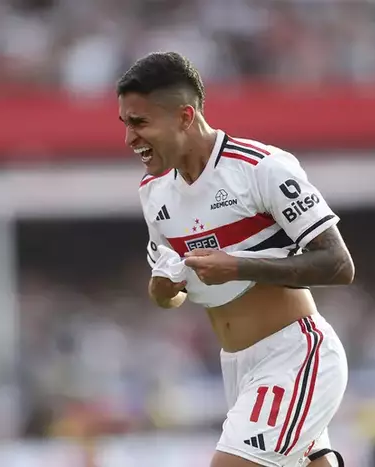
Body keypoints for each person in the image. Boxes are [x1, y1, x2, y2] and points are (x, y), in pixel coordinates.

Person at [117, 51, 353, 467]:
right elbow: (169, 290)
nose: (129, 138)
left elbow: (338, 264)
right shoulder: (154, 192)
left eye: (140, 123)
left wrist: (239, 265)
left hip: (294, 354)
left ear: (185, 117)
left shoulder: (260, 168)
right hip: (237, 368)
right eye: (125, 123)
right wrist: (164, 291)